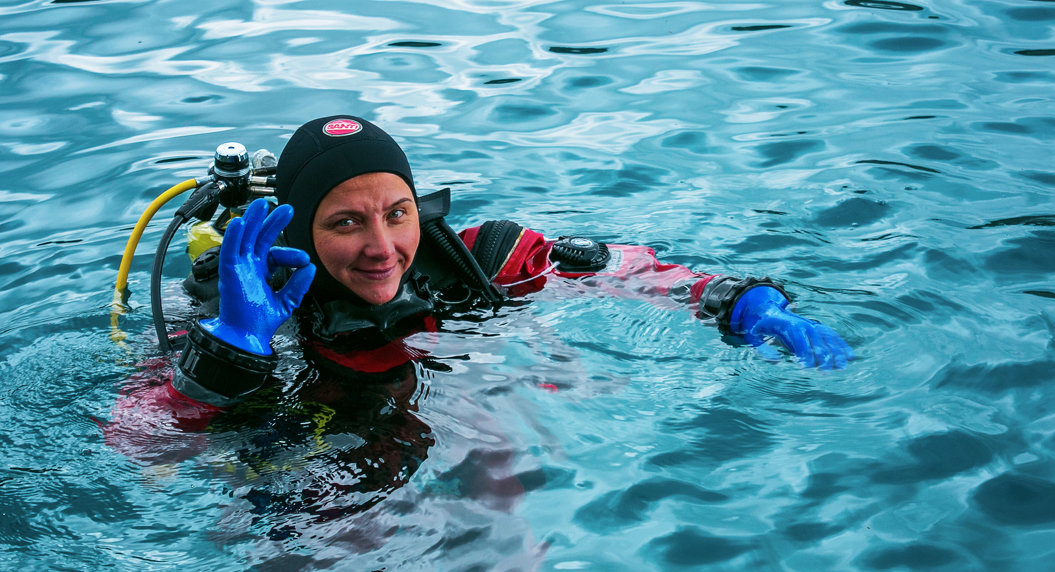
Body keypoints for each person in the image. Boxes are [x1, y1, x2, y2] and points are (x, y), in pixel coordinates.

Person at [164, 115, 852, 411]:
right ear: (301, 234)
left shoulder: (477, 259)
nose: (382, 246)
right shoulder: (234, 310)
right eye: (345, 222)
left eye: (396, 212)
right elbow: (144, 451)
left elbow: (627, 272)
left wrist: (740, 301)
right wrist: (231, 353)